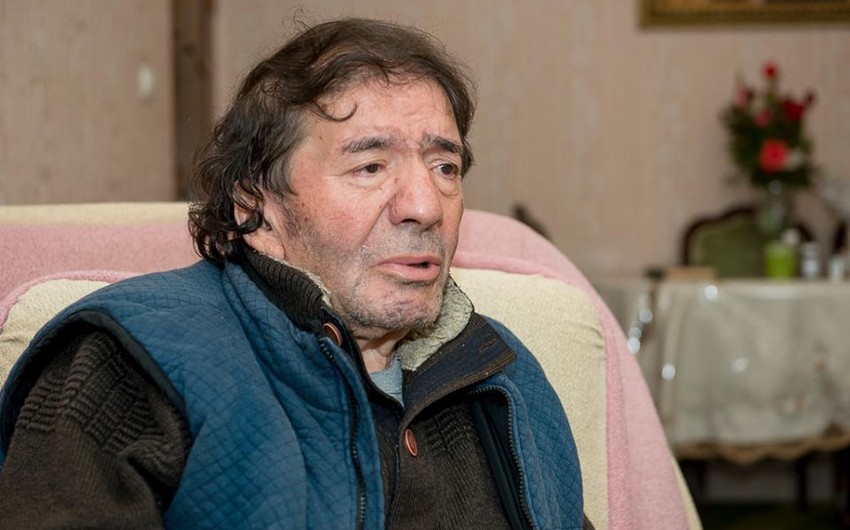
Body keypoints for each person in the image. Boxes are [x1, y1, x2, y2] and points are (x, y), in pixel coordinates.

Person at [0, 18, 587, 529]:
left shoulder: (505, 376)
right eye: (370, 166)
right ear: (255, 208)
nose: (426, 205)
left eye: (445, 166)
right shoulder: (129, 361)